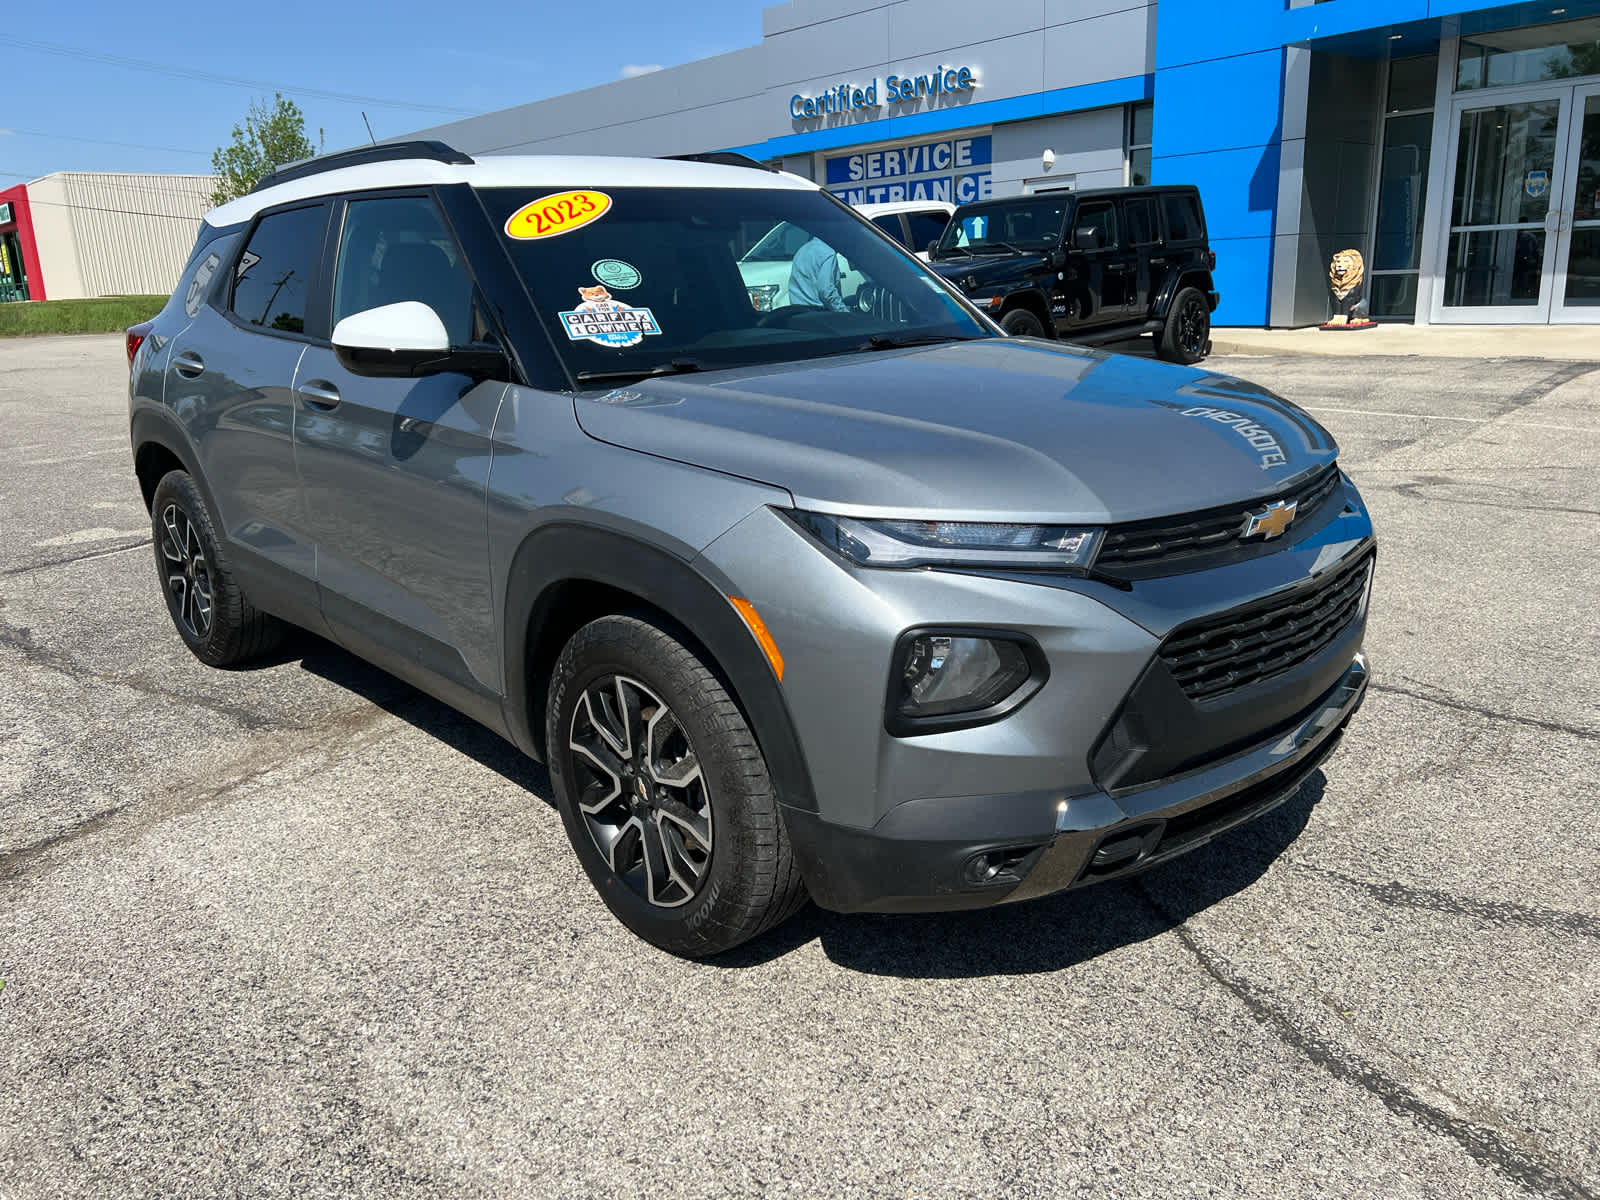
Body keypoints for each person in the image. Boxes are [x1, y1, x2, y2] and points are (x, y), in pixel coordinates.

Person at [788, 236, 848, 311]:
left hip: (797, 311)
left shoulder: (801, 250)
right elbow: (826, 290)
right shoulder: (828, 253)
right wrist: (844, 311)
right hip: (818, 314)